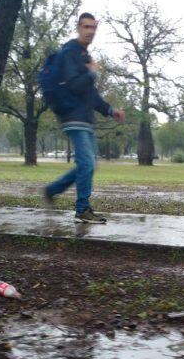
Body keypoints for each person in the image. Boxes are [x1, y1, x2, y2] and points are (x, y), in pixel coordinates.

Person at [43, 12, 125, 224]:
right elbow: (74, 85)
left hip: (85, 119)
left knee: (87, 166)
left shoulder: (83, 57)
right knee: (87, 164)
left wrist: (109, 110)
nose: (90, 31)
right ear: (78, 28)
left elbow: (90, 94)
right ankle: (82, 210)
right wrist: (91, 74)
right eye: (86, 27)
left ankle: (52, 190)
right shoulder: (71, 53)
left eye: (93, 28)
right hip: (73, 117)